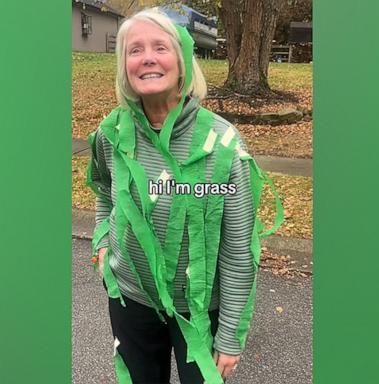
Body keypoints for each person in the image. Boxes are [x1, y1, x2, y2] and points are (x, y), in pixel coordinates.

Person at [87, 7, 282, 384]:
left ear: (183, 61)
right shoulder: (111, 133)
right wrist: (103, 241)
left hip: (199, 311)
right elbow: (106, 193)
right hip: (131, 300)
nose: (147, 58)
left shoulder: (223, 146)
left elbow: (239, 248)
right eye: (134, 49)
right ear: (124, 65)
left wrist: (230, 335)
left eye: (160, 47)